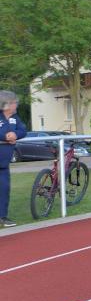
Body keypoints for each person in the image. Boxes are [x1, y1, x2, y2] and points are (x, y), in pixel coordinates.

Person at [0, 90, 27, 227]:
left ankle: (2, 217)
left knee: (4, 189)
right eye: (15, 102)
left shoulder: (15, 117)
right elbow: (3, 134)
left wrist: (15, 134)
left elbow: (23, 130)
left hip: (4, 163)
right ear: (7, 104)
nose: (17, 104)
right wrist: (5, 136)